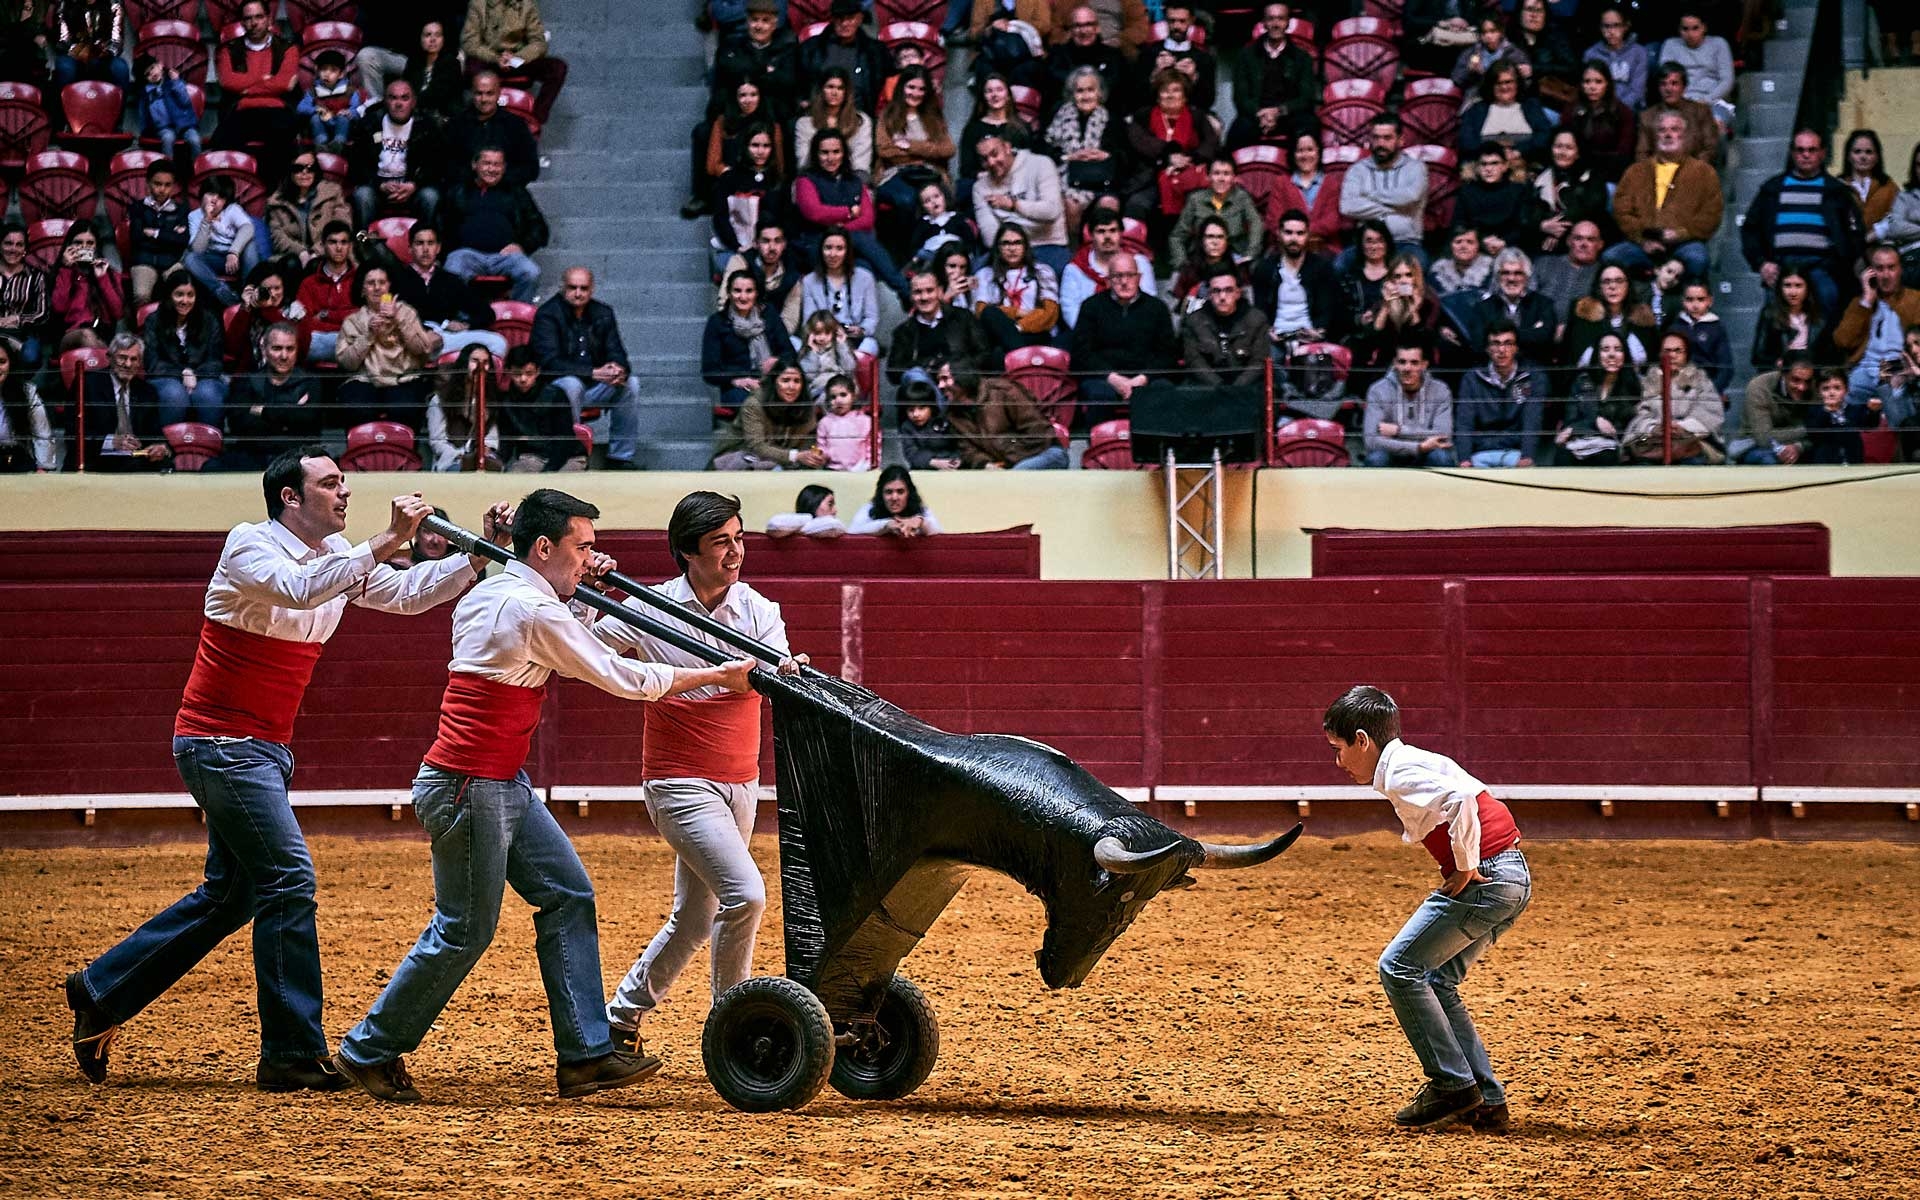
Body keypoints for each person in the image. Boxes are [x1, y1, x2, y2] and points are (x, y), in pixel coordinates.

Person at [66, 450, 491, 1091]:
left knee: (232, 894)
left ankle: (102, 989)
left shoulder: (338, 556)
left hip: (262, 750)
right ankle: (290, 1052)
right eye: (330, 483)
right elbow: (299, 589)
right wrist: (388, 540)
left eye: (345, 482)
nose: (344, 492)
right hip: (222, 744)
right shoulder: (249, 545)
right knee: (290, 879)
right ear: (290, 497)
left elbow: (407, 597)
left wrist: (480, 553)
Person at [334, 489, 754, 1104]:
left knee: (568, 895)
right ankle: (369, 1050)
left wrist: (587, 594)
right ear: (543, 547)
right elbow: (626, 678)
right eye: (583, 548)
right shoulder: (531, 609)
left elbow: (565, 636)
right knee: (464, 930)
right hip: (474, 786)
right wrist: (718, 674)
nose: (591, 558)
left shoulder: (503, 593)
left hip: (495, 782)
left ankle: (586, 1054)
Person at [594, 492, 803, 1068]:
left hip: (740, 780)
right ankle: (735, 1028)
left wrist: (780, 673)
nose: (736, 552)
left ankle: (620, 1019)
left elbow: (778, 673)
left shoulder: (760, 610)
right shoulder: (649, 607)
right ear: (689, 552)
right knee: (747, 895)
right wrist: (593, 592)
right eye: (721, 542)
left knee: (694, 917)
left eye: (739, 538)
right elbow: (586, 650)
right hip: (677, 779)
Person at [1322, 684, 1531, 1130]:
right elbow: (1476, 795)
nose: (1338, 762)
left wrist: (1467, 863)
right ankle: (1485, 1101)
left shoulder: (1400, 772)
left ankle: (1452, 1084)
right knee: (1436, 980)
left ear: (1363, 739)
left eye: (1339, 749)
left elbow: (1461, 803)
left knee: (1399, 967)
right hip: (1510, 876)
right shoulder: (1415, 758)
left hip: (1489, 878)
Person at [529, 268, 640, 469]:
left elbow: (617, 351)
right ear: (563, 287)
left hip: (597, 385)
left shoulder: (603, 313)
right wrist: (593, 372)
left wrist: (617, 369)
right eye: (573, 287)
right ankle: (570, 452)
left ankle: (620, 458)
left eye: (584, 288)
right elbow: (549, 362)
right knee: (571, 385)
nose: (578, 293)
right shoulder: (547, 314)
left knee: (630, 383)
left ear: (592, 289)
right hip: (557, 388)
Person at [793, 130, 913, 301]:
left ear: (844, 154)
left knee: (864, 268)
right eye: (824, 152)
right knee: (861, 238)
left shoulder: (854, 181)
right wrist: (848, 212)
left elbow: (867, 218)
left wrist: (840, 229)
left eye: (836, 152)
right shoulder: (805, 180)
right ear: (816, 154)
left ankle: (860, 322)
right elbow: (814, 212)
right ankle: (903, 288)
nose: (831, 158)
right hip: (817, 244)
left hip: (851, 246)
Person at [1609, 112, 1721, 284]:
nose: (1668, 134)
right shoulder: (1635, 172)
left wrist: (1680, 233)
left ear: (1685, 136)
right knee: (1612, 257)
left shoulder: (1704, 173)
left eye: (1674, 129)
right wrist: (1642, 239)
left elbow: (1711, 215)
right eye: (1662, 130)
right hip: (1641, 244)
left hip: (1684, 244)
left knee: (1697, 259)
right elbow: (1621, 211)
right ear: (1655, 136)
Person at [370, 223, 508, 361]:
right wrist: (425, 331)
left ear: (438, 248)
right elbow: (386, 310)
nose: (425, 249)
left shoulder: (450, 280)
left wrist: (466, 325)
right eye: (419, 243)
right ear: (410, 249)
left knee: (498, 343)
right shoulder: (396, 279)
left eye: (430, 243)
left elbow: (487, 313)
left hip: (447, 337)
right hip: (412, 337)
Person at [1071, 251, 1178, 421]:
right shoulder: (1091, 307)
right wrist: (1112, 378)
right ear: (1108, 279)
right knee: (1099, 394)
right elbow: (1081, 353)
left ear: (1139, 277)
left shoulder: (1157, 308)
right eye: (1118, 276)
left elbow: (1168, 354)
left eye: (1130, 275)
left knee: (1162, 390)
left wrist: (1142, 379)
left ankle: (1155, 447)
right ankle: (1102, 446)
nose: (1124, 282)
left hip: (1146, 377)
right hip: (1105, 377)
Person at [336, 265, 443, 431]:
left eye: (382, 282)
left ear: (389, 287)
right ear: (363, 290)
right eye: (371, 283)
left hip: (403, 379)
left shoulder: (406, 313)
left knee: (404, 410)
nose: (377, 288)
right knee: (357, 408)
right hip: (365, 380)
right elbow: (347, 363)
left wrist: (399, 320)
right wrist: (368, 335)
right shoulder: (353, 321)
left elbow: (422, 349)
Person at [442, 148, 549, 303]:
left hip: (505, 257)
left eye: (497, 164)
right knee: (452, 270)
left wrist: (522, 246)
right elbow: (441, 227)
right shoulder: (457, 192)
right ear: (474, 165)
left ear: (504, 168)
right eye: (486, 163)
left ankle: (514, 314)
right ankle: (460, 320)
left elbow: (540, 229)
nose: (491, 169)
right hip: (467, 255)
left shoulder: (517, 193)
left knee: (531, 272)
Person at [210, 0, 300, 182]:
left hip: (277, 110)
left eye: (259, 17)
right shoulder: (228, 50)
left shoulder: (288, 48)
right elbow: (228, 82)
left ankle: (272, 195)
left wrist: (246, 87)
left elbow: (285, 84)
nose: (254, 23)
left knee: (283, 143)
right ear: (242, 23)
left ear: (269, 19)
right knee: (220, 141)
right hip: (241, 110)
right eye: (248, 18)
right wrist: (266, 81)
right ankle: (234, 194)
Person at [347, 79, 447, 229]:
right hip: (378, 187)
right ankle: (363, 244)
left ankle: (428, 247)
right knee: (362, 195)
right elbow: (356, 166)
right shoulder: (369, 124)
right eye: (393, 98)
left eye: (404, 98)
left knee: (430, 197)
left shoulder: (427, 127)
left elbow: (436, 166)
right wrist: (379, 185)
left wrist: (414, 185)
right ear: (385, 101)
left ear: (413, 102)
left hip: (413, 188)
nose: (398, 103)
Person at [1122, 69, 1218, 223]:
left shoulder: (1197, 116)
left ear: (1185, 96)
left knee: (1200, 205)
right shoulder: (1143, 116)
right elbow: (1139, 141)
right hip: (1151, 177)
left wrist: (1190, 158)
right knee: (1136, 204)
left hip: (1190, 176)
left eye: (1176, 90)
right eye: (1165, 91)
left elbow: (1210, 143)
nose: (1170, 95)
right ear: (1158, 96)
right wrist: (1168, 155)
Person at [1045, 66, 1128, 238]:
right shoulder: (1058, 114)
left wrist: (1105, 155)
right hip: (1068, 179)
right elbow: (1044, 148)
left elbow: (1124, 154)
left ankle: (1103, 250)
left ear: (1100, 93)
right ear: (1072, 94)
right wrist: (1069, 157)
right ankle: (1075, 250)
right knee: (1070, 204)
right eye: (1080, 91)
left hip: (1103, 180)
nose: (1085, 95)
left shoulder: (1112, 119)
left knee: (1109, 203)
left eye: (1091, 90)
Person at [1832, 243, 1920, 404]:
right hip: (1865, 368)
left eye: (1891, 268)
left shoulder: (1915, 299)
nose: (1886, 275)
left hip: (1899, 367)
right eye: (1880, 269)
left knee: (1896, 399)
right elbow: (1842, 340)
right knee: (1846, 395)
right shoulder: (1860, 303)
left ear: (1900, 270)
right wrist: (1866, 302)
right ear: (1871, 272)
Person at [972, 132, 1069, 277]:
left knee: (1060, 270)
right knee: (978, 272)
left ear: (1007, 147)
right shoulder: (980, 187)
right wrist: (1018, 241)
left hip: (1047, 244)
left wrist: (1013, 205)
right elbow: (990, 237)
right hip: (1005, 251)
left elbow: (1051, 211)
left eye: (994, 154)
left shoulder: (1040, 164)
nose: (991, 162)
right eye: (985, 159)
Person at [705, 270, 798, 420]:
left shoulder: (769, 314)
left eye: (749, 291)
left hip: (772, 380)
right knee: (755, 405)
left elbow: (789, 353)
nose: (743, 297)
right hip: (738, 387)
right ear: (728, 293)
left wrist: (777, 362)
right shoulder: (717, 322)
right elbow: (710, 370)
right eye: (737, 291)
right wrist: (737, 380)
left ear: (756, 293)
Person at [226, 322, 320, 468]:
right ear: (264, 349)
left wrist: (264, 410)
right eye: (277, 348)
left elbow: (310, 424)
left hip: (297, 459)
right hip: (253, 456)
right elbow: (240, 426)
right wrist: (290, 413)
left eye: (290, 349)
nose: (284, 356)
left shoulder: (310, 382)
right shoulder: (246, 382)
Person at [143, 268, 226, 428]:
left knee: (208, 395)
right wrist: (182, 373)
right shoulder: (153, 321)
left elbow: (215, 361)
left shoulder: (209, 320)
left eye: (190, 295)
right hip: (165, 377)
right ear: (169, 296)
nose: (185, 300)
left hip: (202, 377)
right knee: (175, 395)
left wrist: (195, 374)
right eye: (179, 294)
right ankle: (167, 449)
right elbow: (152, 363)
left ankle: (210, 449)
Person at [463, 0, 569, 126]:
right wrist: (496, 58)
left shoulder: (527, 4)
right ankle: (475, 114)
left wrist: (517, 57)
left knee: (557, 68)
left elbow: (538, 43)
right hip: (490, 59)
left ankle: (535, 119)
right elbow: (470, 42)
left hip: (518, 61)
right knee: (471, 67)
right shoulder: (478, 4)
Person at [1339, 117, 1428, 264]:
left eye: (1387, 138)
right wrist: (1396, 209)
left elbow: (1411, 197)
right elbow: (1347, 207)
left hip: (1404, 242)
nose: (1381, 143)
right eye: (1376, 138)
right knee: (1339, 266)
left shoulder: (1416, 168)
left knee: (1418, 266)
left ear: (1400, 140)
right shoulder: (1357, 170)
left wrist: (1368, 195)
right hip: (1366, 244)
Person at [1455, 320, 1543, 468]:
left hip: (1516, 452)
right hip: (1481, 452)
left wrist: (1527, 456)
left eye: (1508, 343)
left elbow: (1532, 421)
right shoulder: (1472, 378)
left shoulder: (1532, 377)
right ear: (1487, 349)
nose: (1502, 350)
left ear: (1516, 348)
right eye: (1495, 343)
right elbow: (1464, 423)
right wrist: (1464, 459)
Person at [1624, 332, 1723, 463]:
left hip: (1692, 442)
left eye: (1678, 351)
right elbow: (1640, 414)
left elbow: (1709, 413)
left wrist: (1681, 427)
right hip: (1655, 442)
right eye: (1667, 351)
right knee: (1642, 464)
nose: (1672, 355)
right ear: (1660, 354)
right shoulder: (1648, 381)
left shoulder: (1700, 380)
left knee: (1693, 462)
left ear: (1686, 354)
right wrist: (1653, 427)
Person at [709, 357, 823, 469]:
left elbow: (808, 442)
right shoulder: (754, 404)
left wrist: (810, 456)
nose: (791, 386)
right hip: (739, 458)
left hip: (783, 463)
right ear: (774, 382)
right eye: (785, 380)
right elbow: (757, 446)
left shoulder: (806, 407)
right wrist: (795, 456)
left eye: (797, 381)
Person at [77, 333, 169, 472]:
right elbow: (74, 432)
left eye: (134, 359)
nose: (128, 364)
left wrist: (160, 447)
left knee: (167, 466)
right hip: (97, 460)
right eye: (122, 358)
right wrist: (110, 442)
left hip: (135, 460)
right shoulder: (87, 385)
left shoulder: (147, 391)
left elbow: (155, 432)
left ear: (140, 363)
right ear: (109, 357)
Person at [1228, 3, 1315, 148]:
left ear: (1287, 23)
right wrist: (1261, 113)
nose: (1275, 24)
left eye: (1280, 19)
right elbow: (1240, 97)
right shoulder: (1246, 56)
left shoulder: (1302, 57)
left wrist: (1279, 112)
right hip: (1256, 114)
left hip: (1289, 115)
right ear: (1264, 23)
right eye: (1271, 19)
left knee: (1309, 126)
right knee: (1238, 132)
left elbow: (1306, 97)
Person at [1252, 208, 1344, 345]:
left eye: (1300, 233)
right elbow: (1260, 309)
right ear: (1279, 234)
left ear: (1308, 235)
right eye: (1288, 233)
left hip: (1311, 336)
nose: (1294, 239)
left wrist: (1319, 331)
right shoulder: (1265, 268)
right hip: (1274, 336)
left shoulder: (1322, 268)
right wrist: (1266, 330)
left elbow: (1328, 309)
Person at [943, 367, 1065, 469]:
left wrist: (1008, 460)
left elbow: (1039, 433)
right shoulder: (954, 413)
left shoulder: (1003, 392)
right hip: (1003, 464)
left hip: (1044, 453)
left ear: (962, 377)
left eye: (945, 379)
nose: (940, 385)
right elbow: (968, 450)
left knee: (1012, 478)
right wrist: (986, 465)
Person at [1061, 205, 1159, 329]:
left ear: (1121, 234)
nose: (1107, 237)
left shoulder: (1139, 262)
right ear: (1091, 235)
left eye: (1113, 231)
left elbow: (1149, 303)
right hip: (1090, 334)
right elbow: (1070, 310)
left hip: (1135, 331)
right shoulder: (1075, 268)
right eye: (1101, 231)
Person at [886, 271, 995, 384]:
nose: (924, 297)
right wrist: (930, 365)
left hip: (961, 385)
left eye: (930, 290)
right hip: (925, 389)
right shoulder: (904, 331)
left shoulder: (963, 317)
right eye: (918, 292)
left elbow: (984, 355)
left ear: (940, 291)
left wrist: (955, 368)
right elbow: (893, 373)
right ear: (911, 296)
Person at [710, 123, 788, 278]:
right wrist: (738, 246)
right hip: (735, 247)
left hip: (771, 249)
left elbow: (785, 219)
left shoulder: (779, 180)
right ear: (746, 146)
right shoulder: (729, 178)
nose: (760, 151)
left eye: (766, 146)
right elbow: (720, 218)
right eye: (755, 145)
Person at [494, 345, 587, 472]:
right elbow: (506, 442)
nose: (523, 379)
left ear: (537, 371)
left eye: (529, 373)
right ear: (509, 372)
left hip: (568, 457)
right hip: (532, 456)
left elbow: (564, 439)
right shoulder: (506, 402)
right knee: (517, 475)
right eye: (517, 374)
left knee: (565, 481)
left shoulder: (555, 395)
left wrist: (550, 470)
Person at [445, 70, 542, 191]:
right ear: (471, 94)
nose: (484, 99)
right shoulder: (456, 124)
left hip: (506, 190)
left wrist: (498, 178)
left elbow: (531, 168)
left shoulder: (515, 125)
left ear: (498, 94)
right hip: (465, 191)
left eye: (489, 93)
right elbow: (446, 165)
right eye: (479, 93)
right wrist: (477, 179)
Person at [971, 224, 1061, 352]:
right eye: (1006, 243)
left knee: (1000, 352)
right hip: (995, 335)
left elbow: (1050, 313)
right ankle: (1022, 360)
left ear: (1025, 246)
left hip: (1035, 331)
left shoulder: (1043, 271)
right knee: (990, 313)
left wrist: (1017, 327)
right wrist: (1018, 312)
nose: (1012, 248)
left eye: (1017, 243)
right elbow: (981, 312)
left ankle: (1018, 356)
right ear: (998, 247)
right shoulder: (984, 274)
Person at [1556, 331, 1640, 465]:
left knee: (1605, 457)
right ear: (1597, 354)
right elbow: (1569, 421)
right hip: (1579, 444)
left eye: (1618, 349)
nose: (1611, 354)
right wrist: (1594, 422)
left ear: (1625, 355)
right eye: (1605, 349)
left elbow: (1621, 427)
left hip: (1613, 447)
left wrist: (1577, 428)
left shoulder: (1632, 385)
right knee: (1562, 457)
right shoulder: (1582, 380)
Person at [1168, 156, 1263, 275]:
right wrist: (1181, 262)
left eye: (1226, 174)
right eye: (1216, 173)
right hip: (1201, 258)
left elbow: (1256, 224)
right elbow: (1177, 236)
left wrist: (1250, 254)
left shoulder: (1242, 197)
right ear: (1208, 176)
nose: (1221, 179)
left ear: (1234, 177)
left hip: (1234, 256)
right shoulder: (1196, 199)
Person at [798, 228, 880, 358]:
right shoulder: (809, 281)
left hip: (855, 339)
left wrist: (862, 329)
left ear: (847, 252)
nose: (833, 254)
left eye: (839, 248)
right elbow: (808, 320)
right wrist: (826, 332)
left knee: (870, 346)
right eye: (828, 248)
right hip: (822, 338)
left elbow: (871, 317)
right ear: (821, 250)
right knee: (796, 345)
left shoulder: (865, 277)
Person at [1181, 266, 1268, 388]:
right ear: (1209, 294)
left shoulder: (1257, 319)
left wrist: (1236, 388)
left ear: (1238, 293)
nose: (1222, 297)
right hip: (1207, 388)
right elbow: (1194, 361)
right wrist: (1219, 386)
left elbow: (1259, 362)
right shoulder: (1194, 321)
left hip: (1246, 388)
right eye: (1216, 291)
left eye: (1228, 290)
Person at [183, 175, 259, 310]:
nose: (214, 200)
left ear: (226, 202)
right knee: (190, 258)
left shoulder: (232, 209)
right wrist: (206, 220)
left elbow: (248, 228)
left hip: (237, 258)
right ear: (202, 195)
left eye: (221, 197)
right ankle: (223, 292)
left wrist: (234, 252)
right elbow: (198, 249)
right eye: (211, 194)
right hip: (214, 258)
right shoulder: (194, 216)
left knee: (251, 246)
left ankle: (248, 292)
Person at [268, 152, 354, 270]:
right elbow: (278, 237)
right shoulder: (277, 202)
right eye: (298, 169)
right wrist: (302, 252)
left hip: (329, 252)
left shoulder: (332, 193)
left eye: (310, 168)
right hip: (292, 256)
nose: (305, 172)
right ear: (289, 172)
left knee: (316, 265)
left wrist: (316, 252)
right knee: (291, 264)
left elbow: (343, 226)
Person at [799, 0, 891, 108]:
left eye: (850, 18)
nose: (844, 23)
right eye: (840, 18)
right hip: (818, 113)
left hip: (862, 115)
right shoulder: (810, 48)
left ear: (860, 19)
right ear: (832, 19)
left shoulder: (876, 51)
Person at [1563, 263, 1656, 369]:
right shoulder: (1582, 317)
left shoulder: (1643, 319)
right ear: (1599, 287)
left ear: (1628, 285)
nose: (1612, 286)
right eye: (1606, 282)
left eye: (1619, 281)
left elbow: (1652, 363)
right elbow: (1568, 359)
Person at [426, 343, 501, 471]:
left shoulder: (490, 398)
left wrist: (486, 447)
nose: (480, 367)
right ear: (464, 363)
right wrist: (460, 456)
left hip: (481, 458)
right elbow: (437, 441)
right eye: (475, 361)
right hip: (452, 459)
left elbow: (491, 433)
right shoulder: (440, 399)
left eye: (485, 362)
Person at [1655, 9, 1734, 128]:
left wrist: (1706, 100)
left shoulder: (1719, 44)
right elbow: (1666, 79)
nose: (1690, 34)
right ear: (1679, 30)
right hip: (1678, 102)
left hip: (1713, 101)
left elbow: (1727, 81)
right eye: (1685, 29)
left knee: (1714, 126)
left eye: (1695, 28)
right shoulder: (1671, 45)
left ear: (1704, 28)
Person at [48, 223, 123, 348]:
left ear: (96, 246)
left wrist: (102, 278)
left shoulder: (108, 273)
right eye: (78, 243)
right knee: (86, 335)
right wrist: (66, 269)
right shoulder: (60, 273)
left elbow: (117, 312)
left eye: (90, 243)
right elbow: (59, 308)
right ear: (69, 246)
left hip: (101, 334)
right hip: (69, 335)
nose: (84, 247)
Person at [295, 222, 359, 363]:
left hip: (356, 340)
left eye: (344, 242)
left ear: (350, 246)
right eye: (333, 242)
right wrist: (346, 326)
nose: (338, 247)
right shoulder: (309, 284)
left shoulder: (361, 279)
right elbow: (305, 324)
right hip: (323, 342)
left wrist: (326, 315)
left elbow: (365, 316)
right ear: (323, 245)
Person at [1736, 353, 1816, 465]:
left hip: (1801, 444)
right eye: (1795, 380)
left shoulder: (1814, 386)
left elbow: (1823, 432)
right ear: (1783, 373)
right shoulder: (1759, 387)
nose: (1802, 387)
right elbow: (1764, 438)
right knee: (1768, 460)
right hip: (1756, 445)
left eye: (1807, 381)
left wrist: (1799, 447)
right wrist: (1807, 429)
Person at [792, 68, 874, 179]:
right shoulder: (805, 123)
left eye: (840, 88)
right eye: (830, 87)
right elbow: (803, 162)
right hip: (815, 179)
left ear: (846, 92)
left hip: (852, 179)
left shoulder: (861, 121)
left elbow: (861, 163)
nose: (834, 93)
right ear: (821, 90)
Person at [1043, 6, 1127, 112]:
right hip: (1065, 116)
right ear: (1071, 30)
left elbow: (1119, 93)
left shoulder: (1114, 56)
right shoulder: (1057, 56)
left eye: (1088, 24)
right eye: (1077, 26)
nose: (1083, 31)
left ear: (1097, 28)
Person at [1561, 64, 1635, 183]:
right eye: (1587, 82)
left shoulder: (1623, 113)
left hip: (1610, 173)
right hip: (1575, 170)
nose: (1592, 87)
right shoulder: (1570, 110)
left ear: (1607, 84)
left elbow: (1623, 153)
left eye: (1598, 82)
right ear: (1581, 84)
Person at [1136, 2, 1216, 111]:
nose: (1176, 26)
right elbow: (1136, 98)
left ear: (1192, 20)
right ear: (1165, 20)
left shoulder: (1204, 58)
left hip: (1191, 114)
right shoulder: (1149, 53)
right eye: (1172, 21)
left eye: (1182, 21)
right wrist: (1155, 74)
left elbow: (1207, 102)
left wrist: (1194, 78)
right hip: (1154, 112)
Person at [1454, 146, 1530, 259]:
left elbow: (1524, 225)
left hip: (1512, 247)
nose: (1488, 169)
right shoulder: (1466, 191)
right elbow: (1460, 224)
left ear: (1504, 166)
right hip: (1475, 248)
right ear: (1477, 168)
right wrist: (1482, 240)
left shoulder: (1519, 190)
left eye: (1494, 163)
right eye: (1483, 164)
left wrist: (1504, 242)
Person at [1635, 64, 1719, 165]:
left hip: (1694, 172)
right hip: (1658, 174)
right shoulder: (1647, 117)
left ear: (1684, 87)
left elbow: (1710, 148)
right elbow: (1642, 154)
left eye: (1674, 83)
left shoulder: (1701, 112)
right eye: (1663, 84)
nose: (1668, 89)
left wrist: (1691, 171)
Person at [51, 1, 132, 104]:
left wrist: (100, 53)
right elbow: (62, 39)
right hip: (74, 55)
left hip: (103, 55)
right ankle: (65, 114)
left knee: (120, 68)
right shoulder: (65, 3)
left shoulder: (113, 4)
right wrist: (82, 53)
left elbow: (117, 41)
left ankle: (117, 115)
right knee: (65, 67)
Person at [1750, 268, 1830, 371]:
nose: (1793, 292)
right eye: (1787, 285)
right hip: (1780, 373)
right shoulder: (1769, 314)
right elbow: (1757, 357)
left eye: (1798, 286)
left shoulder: (1820, 317)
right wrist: (1777, 362)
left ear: (1807, 288)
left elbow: (1827, 356)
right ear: (1780, 288)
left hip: (1811, 375)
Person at [1530, 221, 1603, 331]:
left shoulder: (1604, 273)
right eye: (1578, 238)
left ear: (1600, 244)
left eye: (1590, 240)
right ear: (1569, 241)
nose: (1584, 244)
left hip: (1580, 334)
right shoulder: (1544, 263)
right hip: (1539, 330)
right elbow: (1526, 299)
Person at [0, 335, 57, 473]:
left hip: (15, 458)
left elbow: (42, 433)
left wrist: (43, 467)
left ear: (11, 364)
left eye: (2, 362)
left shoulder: (27, 392)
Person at [1802, 369, 1881, 465]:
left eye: (1837, 388)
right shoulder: (1814, 411)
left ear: (1846, 390)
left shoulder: (1855, 409)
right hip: (1825, 464)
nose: (1831, 393)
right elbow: (1813, 435)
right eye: (1825, 389)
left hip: (1853, 461)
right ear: (1818, 392)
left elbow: (1870, 426)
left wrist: (1873, 412)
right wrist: (1826, 412)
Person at [134, 54, 201, 163]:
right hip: (164, 128)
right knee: (168, 138)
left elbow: (185, 101)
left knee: (194, 139)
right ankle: (167, 169)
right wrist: (145, 131)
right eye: (148, 74)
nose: (152, 74)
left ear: (160, 65)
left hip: (184, 124)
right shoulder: (147, 94)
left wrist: (177, 82)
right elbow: (144, 115)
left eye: (152, 68)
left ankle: (197, 169)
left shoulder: (173, 84)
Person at [0, 225, 49, 371]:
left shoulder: (36, 276)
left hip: (23, 333)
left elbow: (42, 313)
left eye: (19, 244)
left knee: (30, 356)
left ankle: (21, 390)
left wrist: (18, 319)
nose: (13, 249)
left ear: (25, 249)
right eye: (8, 243)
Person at [1166, 216, 1240, 312]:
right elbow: (1176, 304)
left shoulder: (1237, 267)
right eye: (1210, 236)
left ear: (1226, 241)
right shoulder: (1189, 269)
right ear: (1202, 240)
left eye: (1220, 237)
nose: (1215, 242)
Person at [1672, 280, 1732, 394]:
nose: (1695, 305)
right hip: (1678, 389)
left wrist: (1712, 391)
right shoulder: (1675, 327)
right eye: (1689, 299)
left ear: (1710, 301)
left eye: (1700, 299)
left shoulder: (1717, 328)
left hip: (1707, 387)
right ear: (1683, 301)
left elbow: (1726, 367)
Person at [1583, 5, 1648, 109]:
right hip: (1599, 109)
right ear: (1600, 27)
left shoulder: (1639, 52)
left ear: (1626, 26)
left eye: (1616, 25)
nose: (1611, 31)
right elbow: (1588, 89)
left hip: (1630, 110)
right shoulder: (1591, 54)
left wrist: (1617, 110)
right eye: (1606, 26)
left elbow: (1637, 90)